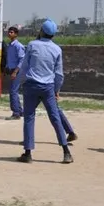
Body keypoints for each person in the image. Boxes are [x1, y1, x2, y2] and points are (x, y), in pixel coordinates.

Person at [17, 19, 73, 164]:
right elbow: (59, 74)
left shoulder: (32, 45)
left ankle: (28, 153)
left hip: (31, 85)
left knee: (29, 117)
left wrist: (21, 81)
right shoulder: (57, 49)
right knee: (55, 118)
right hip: (48, 86)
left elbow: (24, 67)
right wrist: (56, 90)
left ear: (41, 31)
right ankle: (66, 152)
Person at [4, 26, 26, 120]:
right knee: (14, 91)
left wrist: (15, 72)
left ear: (16, 34)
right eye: (9, 32)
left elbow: (22, 59)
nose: (9, 33)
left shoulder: (18, 46)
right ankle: (20, 111)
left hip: (17, 71)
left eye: (12, 32)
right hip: (11, 70)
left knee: (13, 91)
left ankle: (16, 113)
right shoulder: (9, 46)